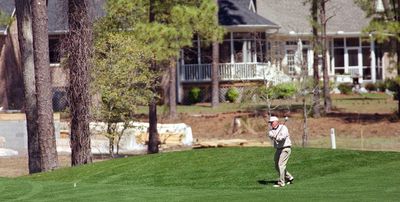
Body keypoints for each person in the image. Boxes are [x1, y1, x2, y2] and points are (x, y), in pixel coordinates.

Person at [268, 116, 294, 188]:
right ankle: (289, 177)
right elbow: (270, 135)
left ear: (276, 122)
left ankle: (281, 182)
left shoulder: (283, 127)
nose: (271, 124)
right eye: (270, 123)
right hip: (278, 149)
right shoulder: (271, 130)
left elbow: (283, 137)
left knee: (281, 164)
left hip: (285, 148)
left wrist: (277, 138)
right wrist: (273, 136)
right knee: (277, 165)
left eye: (272, 122)